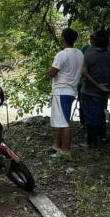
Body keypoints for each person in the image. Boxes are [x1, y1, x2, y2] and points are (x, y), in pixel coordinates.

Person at [48, 28, 84, 157]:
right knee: (61, 119)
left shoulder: (61, 54)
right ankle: (57, 146)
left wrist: (48, 73)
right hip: (71, 90)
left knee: (64, 122)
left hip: (61, 90)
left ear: (63, 38)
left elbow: (53, 72)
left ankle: (66, 151)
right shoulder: (79, 53)